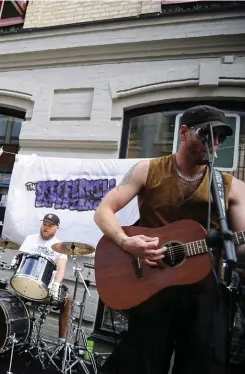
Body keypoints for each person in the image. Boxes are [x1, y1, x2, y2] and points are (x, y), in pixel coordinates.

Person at [94, 105, 245, 374]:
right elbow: (103, 210)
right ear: (184, 133)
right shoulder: (147, 170)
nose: (215, 143)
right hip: (153, 289)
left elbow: (242, 247)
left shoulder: (231, 187)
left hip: (204, 295)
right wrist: (126, 242)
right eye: (207, 134)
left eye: (221, 136)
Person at [15, 213, 73, 341]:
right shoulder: (30, 239)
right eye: (44, 224)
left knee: (67, 299)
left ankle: (62, 342)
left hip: (47, 286)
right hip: (26, 281)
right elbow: (20, 260)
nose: (46, 228)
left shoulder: (60, 245)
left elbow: (61, 267)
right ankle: (15, 333)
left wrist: (56, 284)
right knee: (14, 298)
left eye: (50, 225)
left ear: (57, 228)